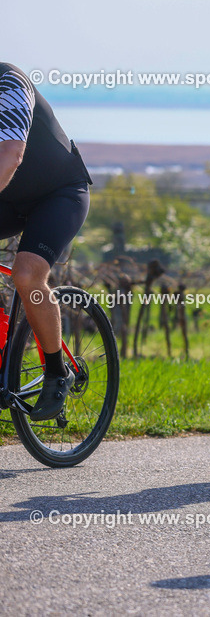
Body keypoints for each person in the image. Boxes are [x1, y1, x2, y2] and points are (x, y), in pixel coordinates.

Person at [0, 62, 93, 421]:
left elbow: (11, 155)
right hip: (10, 198)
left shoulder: (10, 83)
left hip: (60, 194)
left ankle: (57, 373)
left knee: (27, 275)